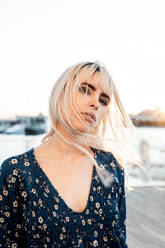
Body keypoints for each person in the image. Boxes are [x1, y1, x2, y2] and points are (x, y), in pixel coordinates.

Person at [0, 61, 139, 247]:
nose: (95, 103)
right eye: (85, 90)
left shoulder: (111, 166)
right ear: (61, 93)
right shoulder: (17, 172)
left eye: (103, 100)